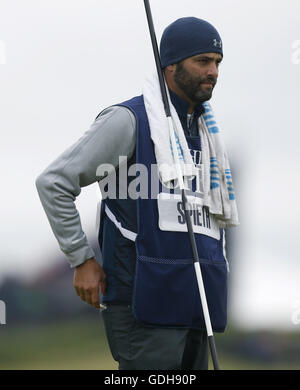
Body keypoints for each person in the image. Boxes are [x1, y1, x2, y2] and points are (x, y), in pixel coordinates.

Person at [35, 17, 239, 370]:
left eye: (217, 63)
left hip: (197, 304)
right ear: (170, 65)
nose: (213, 72)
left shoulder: (208, 135)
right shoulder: (129, 120)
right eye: (202, 61)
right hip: (142, 304)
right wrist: (81, 259)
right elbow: (54, 182)